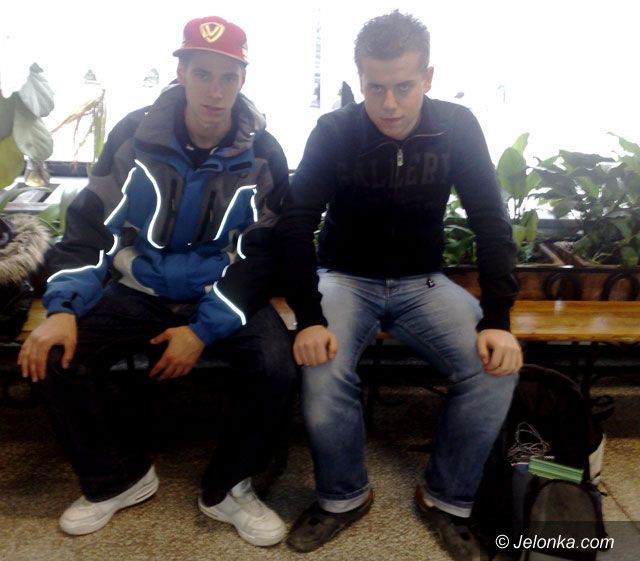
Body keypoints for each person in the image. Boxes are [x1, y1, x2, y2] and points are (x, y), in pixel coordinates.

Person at [18, 15, 296, 548]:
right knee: (54, 355)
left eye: (228, 77)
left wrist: (203, 330)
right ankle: (118, 478)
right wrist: (62, 310)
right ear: (181, 72)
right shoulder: (133, 136)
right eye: (202, 74)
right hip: (139, 287)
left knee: (276, 367)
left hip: (219, 291)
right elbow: (91, 227)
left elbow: (260, 255)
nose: (215, 91)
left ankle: (227, 488)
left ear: (243, 79)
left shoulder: (264, 152)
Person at [276, 10, 523, 561]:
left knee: (495, 368)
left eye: (404, 87)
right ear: (360, 80)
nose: (389, 104)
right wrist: (309, 318)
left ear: (428, 78)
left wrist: (499, 320)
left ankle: (445, 498)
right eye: (376, 88)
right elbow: (296, 223)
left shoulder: (456, 126)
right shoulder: (335, 131)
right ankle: (343, 497)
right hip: (344, 277)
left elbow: (490, 220)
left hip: (423, 281)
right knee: (322, 367)